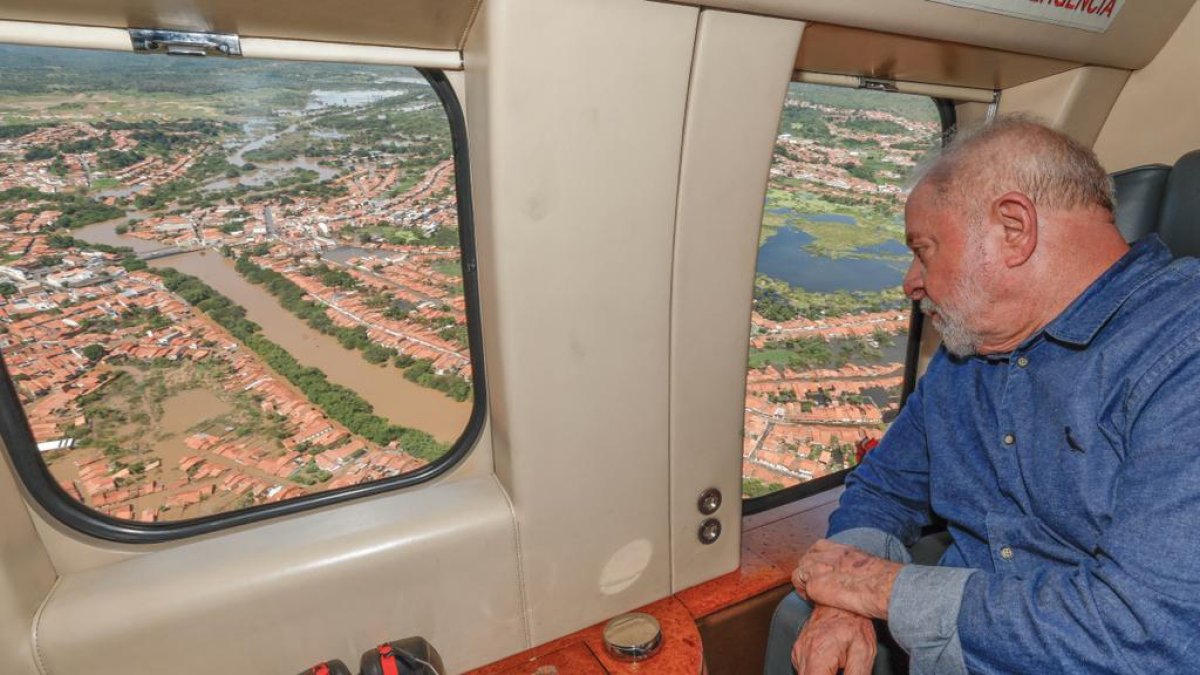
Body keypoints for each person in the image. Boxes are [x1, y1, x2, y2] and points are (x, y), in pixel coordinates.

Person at [764, 116, 1200, 674]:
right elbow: (884, 488)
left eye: (924, 250)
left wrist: (881, 588)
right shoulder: (968, 354)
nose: (910, 282)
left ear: (1014, 229)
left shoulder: (1180, 354)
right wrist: (839, 601)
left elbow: (1150, 636)